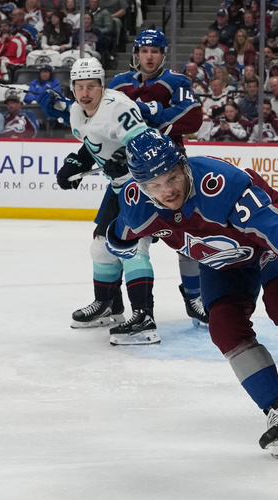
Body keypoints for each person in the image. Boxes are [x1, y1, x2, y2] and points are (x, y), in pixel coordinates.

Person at [111, 129, 278, 456]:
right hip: (223, 261)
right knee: (225, 328)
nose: (167, 190)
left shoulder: (220, 184)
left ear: (183, 166)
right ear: (142, 188)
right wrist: (120, 239)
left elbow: (274, 225)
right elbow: (120, 238)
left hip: (269, 245)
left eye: (171, 177)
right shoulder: (139, 207)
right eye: (155, 185)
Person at [39, 57, 159, 341]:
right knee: (101, 247)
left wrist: (125, 159)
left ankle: (145, 317)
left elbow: (146, 145)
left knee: (131, 247)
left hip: (144, 186)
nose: (85, 93)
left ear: (102, 86)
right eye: (80, 87)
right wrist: (74, 165)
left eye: (91, 86)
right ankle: (108, 306)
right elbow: (92, 145)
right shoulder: (76, 112)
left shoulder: (119, 108)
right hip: (118, 187)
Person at [109, 29, 208, 328]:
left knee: (188, 237)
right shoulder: (118, 84)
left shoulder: (176, 81)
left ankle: (194, 299)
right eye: (144, 50)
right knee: (128, 237)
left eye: (155, 51)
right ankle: (123, 306)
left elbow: (192, 116)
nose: (149, 56)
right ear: (136, 53)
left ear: (163, 54)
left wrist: (148, 113)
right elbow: (104, 121)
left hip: (174, 174)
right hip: (131, 175)